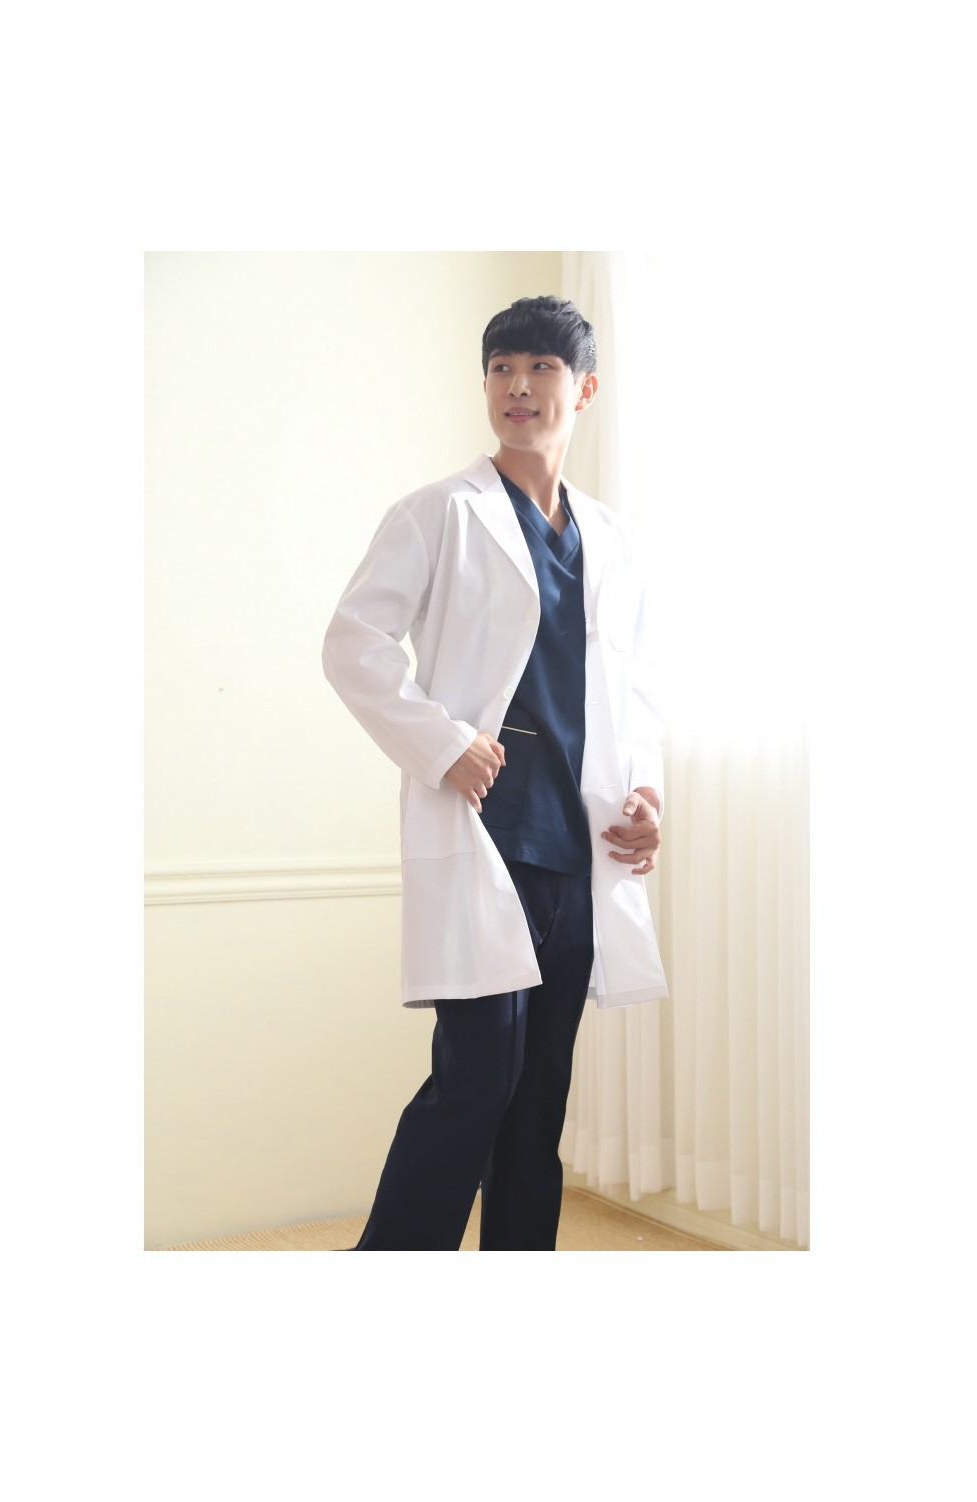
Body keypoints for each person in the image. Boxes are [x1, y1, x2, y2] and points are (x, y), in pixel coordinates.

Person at [322, 295, 667, 1251]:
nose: (518, 385)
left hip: (577, 849)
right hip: (487, 834)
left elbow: (635, 690)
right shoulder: (438, 512)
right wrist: (442, 742)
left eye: (541, 367)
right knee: (476, 1081)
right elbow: (352, 644)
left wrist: (647, 792)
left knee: (539, 1093)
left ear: (582, 389)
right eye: (502, 367)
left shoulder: (612, 539)